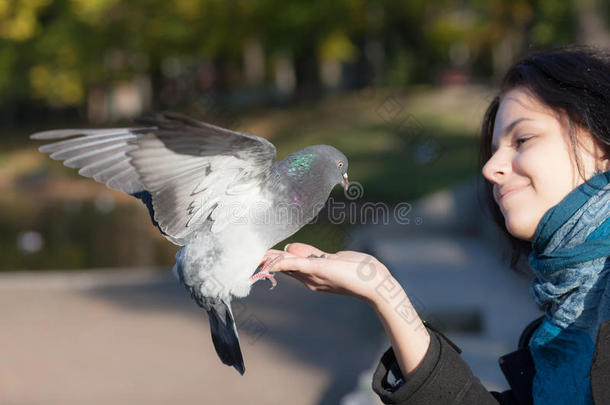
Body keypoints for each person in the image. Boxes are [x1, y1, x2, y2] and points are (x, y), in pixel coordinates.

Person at [263, 47, 610, 405]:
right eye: (493, 151)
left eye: (522, 140)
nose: (491, 169)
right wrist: (383, 291)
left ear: (601, 144)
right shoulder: (561, 320)